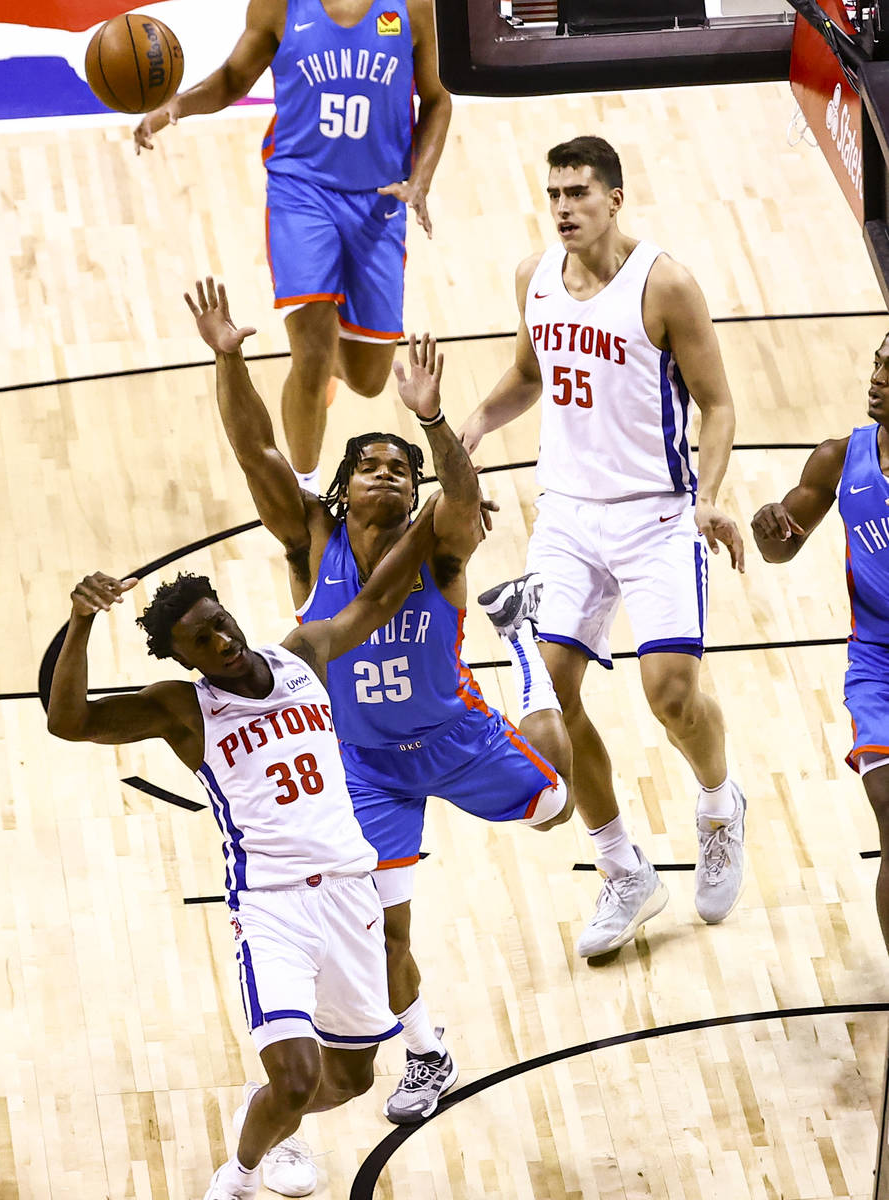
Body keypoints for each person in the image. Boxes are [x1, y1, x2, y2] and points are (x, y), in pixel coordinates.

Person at [183, 277, 573, 1124]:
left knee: (557, 803)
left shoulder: (438, 548)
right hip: (361, 767)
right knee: (387, 935)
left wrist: (433, 420)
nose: (390, 473)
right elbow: (258, 453)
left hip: (455, 732)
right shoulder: (311, 543)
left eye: (403, 467)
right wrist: (229, 359)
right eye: (373, 465)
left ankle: (524, 644)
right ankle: (429, 1051)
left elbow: (462, 499)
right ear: (346, 491)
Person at [46, 490, 441, 1200]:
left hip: (351, 896)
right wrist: (79, 625)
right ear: (182, 657)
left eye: (219, 624)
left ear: (230, 613)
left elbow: (380, 598)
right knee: (293, 1078)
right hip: (273, 908)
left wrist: (442, 506)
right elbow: (68, 721)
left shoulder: (305, 656)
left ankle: (263, 1121)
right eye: (200, 641)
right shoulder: (185, 708)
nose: (221, 641)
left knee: (345, 1081)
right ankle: (240, 1175)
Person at [458, 135, 748, 959]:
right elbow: (530, 373)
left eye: (578, 193)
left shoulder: (667, 285)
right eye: (552, 193)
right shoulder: (533, 278)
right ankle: (625, 871)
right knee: (548, 693)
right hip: (570, 517)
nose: (562, 208)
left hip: (657, 514)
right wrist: (472, 430)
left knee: (671, 695)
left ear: (615, 199)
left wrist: (711, 496)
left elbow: (717, 404)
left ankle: (721, 803)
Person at [134, 0, 452, 494]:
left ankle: (328, 370)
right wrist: (177, 105)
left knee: (368, 380)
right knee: (311, 350)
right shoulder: (279, 6)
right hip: (301, 190)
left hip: (379, 202)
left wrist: (421, 182)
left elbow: (437, 98)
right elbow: (235, 78)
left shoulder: (412, 7)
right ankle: (304, 491)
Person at [751, 334, 889, 955]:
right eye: (879, 359)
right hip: (878, 663)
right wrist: (769, 529)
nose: (878, 375)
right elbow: (784, 544)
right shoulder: (839, 457)